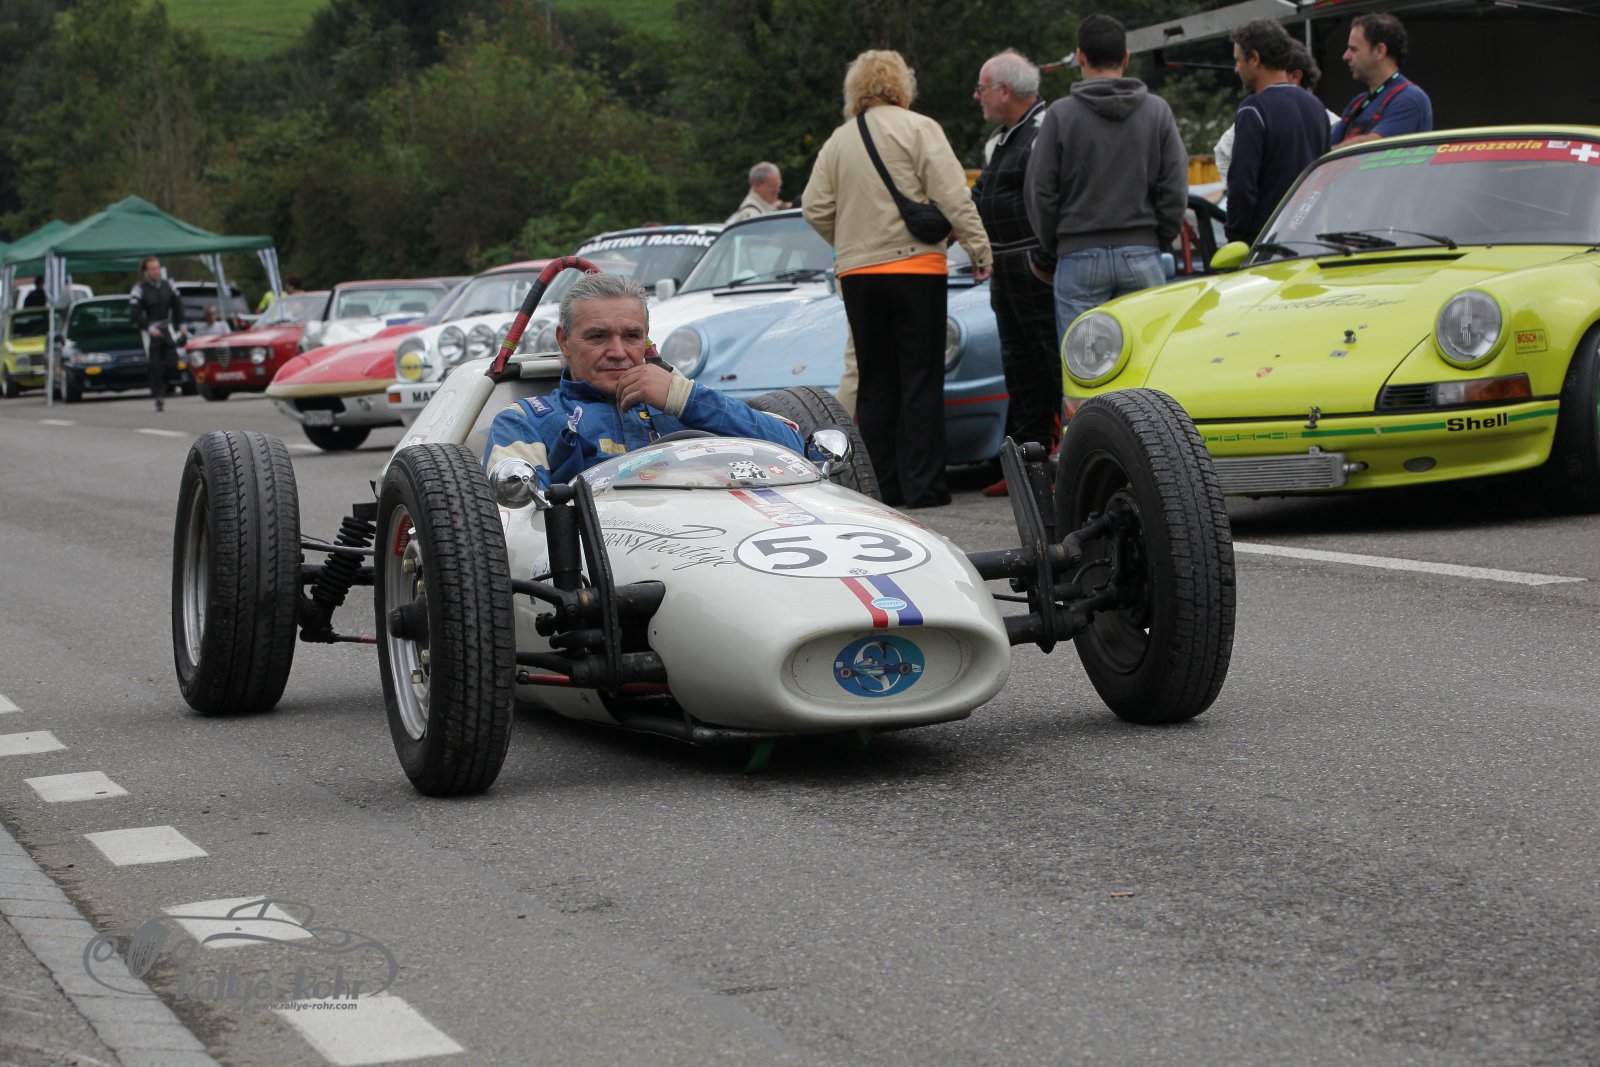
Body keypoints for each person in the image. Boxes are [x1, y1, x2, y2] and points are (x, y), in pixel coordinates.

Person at [803, 49, 993, 510]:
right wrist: (979, 249)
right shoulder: (919, 128)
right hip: (915, 268)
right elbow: (953, 196)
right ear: (902, 85)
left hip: (859, 274)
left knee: (874, 383)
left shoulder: (838, 141)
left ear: (855, 89)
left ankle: (882, 487)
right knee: (920, 378)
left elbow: (814, 207)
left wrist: (851, 242)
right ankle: (924, 487)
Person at [483, 273, 804, 487]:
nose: (618, 352)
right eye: (598, 336)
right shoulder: (525, 421)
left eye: (631, 336)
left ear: (646, 338)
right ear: (564, 341)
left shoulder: (686, 402)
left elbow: (794, 451)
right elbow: (518, 528)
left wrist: (685, 399)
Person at [1024, 14, 1188, 341]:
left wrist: (1058, 243)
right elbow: (1174, 185)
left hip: (1078, 255)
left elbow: (1040, 190)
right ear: (1126, 58)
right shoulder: (1157, 111)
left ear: (1080, 57)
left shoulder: (1060, 115)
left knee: (1084, 362)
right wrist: (1158, 237)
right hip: (1142, 251)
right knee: (1148, 358)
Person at [971, 48, 1058, 497]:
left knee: (1049, 361)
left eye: (982, 88)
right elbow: (980, 196)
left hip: (1031, 265)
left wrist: (1043, 259)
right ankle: (1027, 464)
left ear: (1004, 91)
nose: (977, 96)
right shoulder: (1002, 139)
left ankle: (1061, 462)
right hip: (1006, 266)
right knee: (1018, 367)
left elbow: (1053, 195)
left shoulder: (1045, 130)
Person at [1223, 20, 1330, 246]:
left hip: (1266, 243)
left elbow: (1242, 184)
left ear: (1255, 58)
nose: (1236, 69)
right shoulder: (1316, 107)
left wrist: (1236, 237)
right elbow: (1325, 176)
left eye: (1238, 60)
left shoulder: (1253, 109)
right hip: (1310, 240)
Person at [1330, 13, 1432, 146]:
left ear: (1379, 51)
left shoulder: (1410, 99)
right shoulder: (1357, 104)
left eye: (1353, 49)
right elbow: (1325, 148)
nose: (1346, 56)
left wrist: (1334, 150)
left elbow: (1373, 146)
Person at [128, 256, 186, 412]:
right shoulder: (139, 289)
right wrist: (148, 327)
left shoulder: (169, 285)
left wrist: (182, 324)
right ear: (146, 272)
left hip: (166, 327)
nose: (156, 272)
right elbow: (135, 313)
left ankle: (164, 384)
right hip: (150, 330)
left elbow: (178, 306)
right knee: (154, 365)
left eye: (158, 268)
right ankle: (158, 395)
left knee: (173, 362)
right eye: (153, 269)